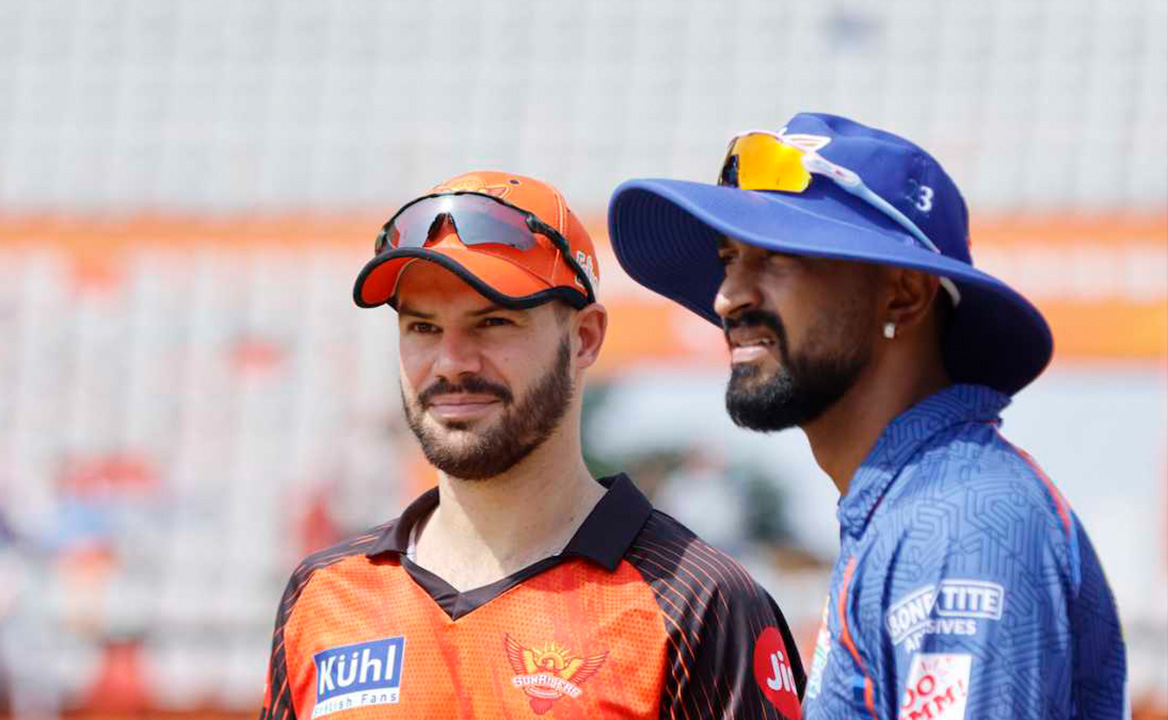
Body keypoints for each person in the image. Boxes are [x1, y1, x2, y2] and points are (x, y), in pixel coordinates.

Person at [607, 114, 1127, 720]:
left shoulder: (957, 521)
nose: (728, 296)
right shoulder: (912, 507)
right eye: (730, 258)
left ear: (902, 296)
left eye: (776, 258)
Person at [258, 171, 805, 719]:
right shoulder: (325, 594)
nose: (451, 363)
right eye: (422, 328)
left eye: (493, 322)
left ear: (584, 338)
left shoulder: (697, 601)